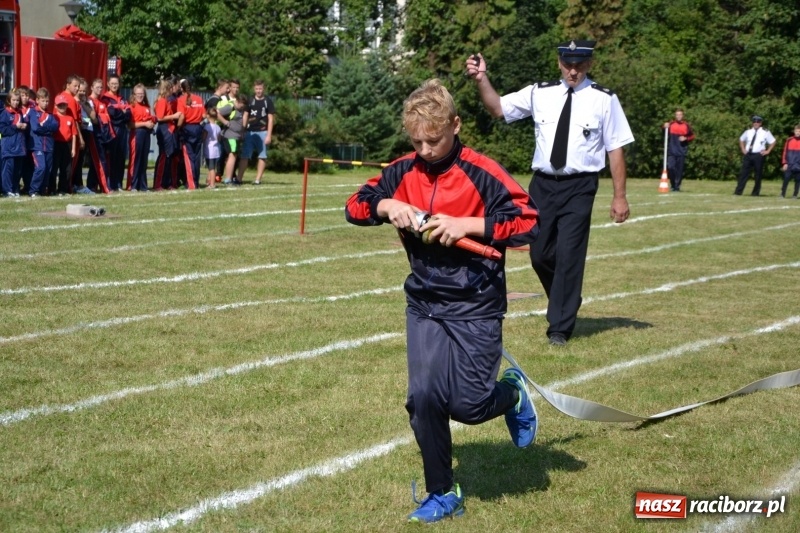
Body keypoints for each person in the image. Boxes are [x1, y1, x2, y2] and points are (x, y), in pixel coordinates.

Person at [345, 79, 540, 524]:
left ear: (455, 125)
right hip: (426, 303)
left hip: (476, 303)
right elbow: (355, 205)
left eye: (434, 140)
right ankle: (441, 492)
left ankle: (511, 395)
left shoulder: (482, 172)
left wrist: (467, 225)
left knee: (469, 406)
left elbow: (528, 221)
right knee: (425, 397)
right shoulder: (401, 171)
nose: (426, 149)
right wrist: (386, 207)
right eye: (416, 141)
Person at [466, 40, 634, 346]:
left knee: (570, 254)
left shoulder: (604, 100)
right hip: (542, 184)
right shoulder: (539, 93)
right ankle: (567, 295)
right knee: (539, 253)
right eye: (568, 64)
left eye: (579, 65)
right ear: (559, 63)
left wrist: (619, 195)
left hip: (580, 186)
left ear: (589, 65)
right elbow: (497, 108)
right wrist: (481, 79)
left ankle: (559, 327)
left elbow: (616, 148)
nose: (573, 70)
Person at [238, 79, 275, 184]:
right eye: (257, 89)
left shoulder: (268, 101)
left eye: (260, 89)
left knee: (262, 156)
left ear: (264, 89)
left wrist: (269, 135)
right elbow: (245, 115)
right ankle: (239, 178)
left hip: (263, 131)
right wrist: (243, 130)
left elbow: (271, 119)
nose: (259, 91)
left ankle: (258, 179)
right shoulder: (250, 100)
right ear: (254, 89)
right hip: (250, 132)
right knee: (245, 155)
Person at [27, 87, 60, 197]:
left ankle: (42, 190)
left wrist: (44, 127)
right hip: (37, 146)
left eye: (47, 101)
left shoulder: (50, 115)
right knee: (41, 167)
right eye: (43, 101)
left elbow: (55, 127)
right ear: (37, 100)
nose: (45, 103)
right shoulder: (33, 112)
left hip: (49, 146)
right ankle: (33, 190)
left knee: (48, 170)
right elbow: (35, 128)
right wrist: (47, 129)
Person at [102, 74, 132, 192]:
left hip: (123, 131)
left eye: (116, 83)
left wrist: (121, 113)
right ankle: (110, 184)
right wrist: (122, 112)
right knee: (112, 158)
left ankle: (118, 184)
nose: (114, 85)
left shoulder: (122, 98)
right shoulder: (105, 98)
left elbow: (129, 115)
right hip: (112, 129)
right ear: (108, 84)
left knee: (121, 157)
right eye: (112, 83)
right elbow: (112, 114)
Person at [734, 115, 775, 196]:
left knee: (758, 174)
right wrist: (743, 149)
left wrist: (768, 151)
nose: (756, 123)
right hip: (748, 154)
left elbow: (773, 141)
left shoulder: (765, 132)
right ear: (752, 123)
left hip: (758, 155)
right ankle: (738, 192)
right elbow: (741, 139)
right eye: (754, 122)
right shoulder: (748, 132)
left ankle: (755, 193)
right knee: (744, 173)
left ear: (761, 123)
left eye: (758, 122)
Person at [126, 83, 156, 192]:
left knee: (144, 160)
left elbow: (150, 119)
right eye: (138, 94)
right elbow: (130, 125)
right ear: (134, 94)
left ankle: (143, 185)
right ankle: (132, 185)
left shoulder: (146, 107)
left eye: (142, 94)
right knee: (135, 160)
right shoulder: (131, 107)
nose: (140, 96)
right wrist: (144, 124)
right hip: (136, 134)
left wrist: (151, 123)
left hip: (146, 134)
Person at [153, 79, 182, 190]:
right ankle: (158, 183)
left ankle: (168, 182)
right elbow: (160, 118)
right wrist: (174, 116)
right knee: (164, 156)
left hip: (170, 129)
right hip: (165, 129)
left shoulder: (166, 101)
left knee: (171, 157)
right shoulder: (162, 101)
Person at [175, 78, 204, 189]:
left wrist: (178, 128)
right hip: (198, 127)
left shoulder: (181, 99)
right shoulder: (199, 98)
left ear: (181, 88)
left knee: (188, 157)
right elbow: (203, 115)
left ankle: (191, 183)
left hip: (187, 128)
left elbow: (181, 117)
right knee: (196, 157)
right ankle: (195, 181)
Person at [0, 88, 28, 197]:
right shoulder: (5, 113)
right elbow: (3, 129)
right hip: (8, 146)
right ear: (9, 100)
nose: (16, 102)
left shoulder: (20, 112)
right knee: (8, 170)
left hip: (19, 146)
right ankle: (6, 190)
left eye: (17, 100)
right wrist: (15, 126)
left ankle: (15, 188)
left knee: (17, 170)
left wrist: (24, 126)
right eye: (14, 100)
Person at [87, 78, 112, 193]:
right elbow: (95, 119)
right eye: (97, 87)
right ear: (92, 88)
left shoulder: (102, 102)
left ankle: (95, 185)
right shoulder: (89, 101)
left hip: (104, 135)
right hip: (95, 135)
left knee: (101, 160)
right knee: (98, 161)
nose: (99, 89)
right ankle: (101, 186)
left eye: (101, 87)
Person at [50, 94, 78, 195]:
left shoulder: (70, 118)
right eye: (60, 105)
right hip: (56, 144)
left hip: (67, 145)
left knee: (66, 168)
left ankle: (63, 188)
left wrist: (73, 149)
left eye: (64, 105)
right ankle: (52, 189)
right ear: (55, 106)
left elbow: (74, 134)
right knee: (54, 167)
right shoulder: (53, 117)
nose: (62, 107)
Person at [661, 108, 694, 192]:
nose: (678, 116)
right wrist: (664, 126)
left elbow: (692, 136)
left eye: (680, 115)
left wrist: (685, 138)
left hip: (681, 151)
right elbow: (663, 131)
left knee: (679, 170)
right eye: (677, 115)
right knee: (671, 167)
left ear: (682, 116)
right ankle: (673, 184)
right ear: (675, 116)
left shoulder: (686, 125)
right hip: (672, 151)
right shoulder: (671, 124)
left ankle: (677, 186)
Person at [219, 94, 248, 185]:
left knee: (233, 155)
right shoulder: (230, 107)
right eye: (242, 104)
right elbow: (216, 112)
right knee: (232, 155)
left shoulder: (240, 109)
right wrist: (225, 122)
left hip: (237, 136)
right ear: (238, 102)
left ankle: (229, 177)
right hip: (231, 136)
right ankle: (228, 178)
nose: (243, 107)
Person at [202, 107, 221, 188]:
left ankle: (212, 184)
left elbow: (204, 138)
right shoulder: (218, 127)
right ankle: (209, 181)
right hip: (216, 149)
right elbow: (219, 138)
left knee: (211, 168)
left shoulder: (207, 127)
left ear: (208, 116)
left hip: (209, 150)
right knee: (212, 167)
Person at [780, 124, 800, 199]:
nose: (798, 133)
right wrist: (784, 163)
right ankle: (782, 193)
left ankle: (795, 195)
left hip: (798, 165)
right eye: (796, 131)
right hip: (789, 163)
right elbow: (785, 152)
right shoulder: (789, 140)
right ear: (794, 131)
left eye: (799, 131)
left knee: (798, 180)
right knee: (786, 179)